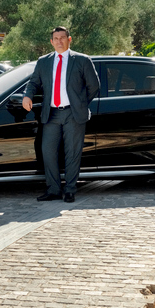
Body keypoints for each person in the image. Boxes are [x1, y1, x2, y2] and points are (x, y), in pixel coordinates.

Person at [23, 27, 100, 203]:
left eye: (62, 38)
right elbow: (34, 82)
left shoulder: (82, 60)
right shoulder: (43, 62)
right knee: (48, 152)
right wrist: (27, 95)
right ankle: (53, 189)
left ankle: (70, 190)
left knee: (72, 153)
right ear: (51, 42)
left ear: (69, 39)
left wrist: (80, 104)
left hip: (74, 114)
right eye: (55, 38)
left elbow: (94, 86)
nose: (59, 41)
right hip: (51, 114)